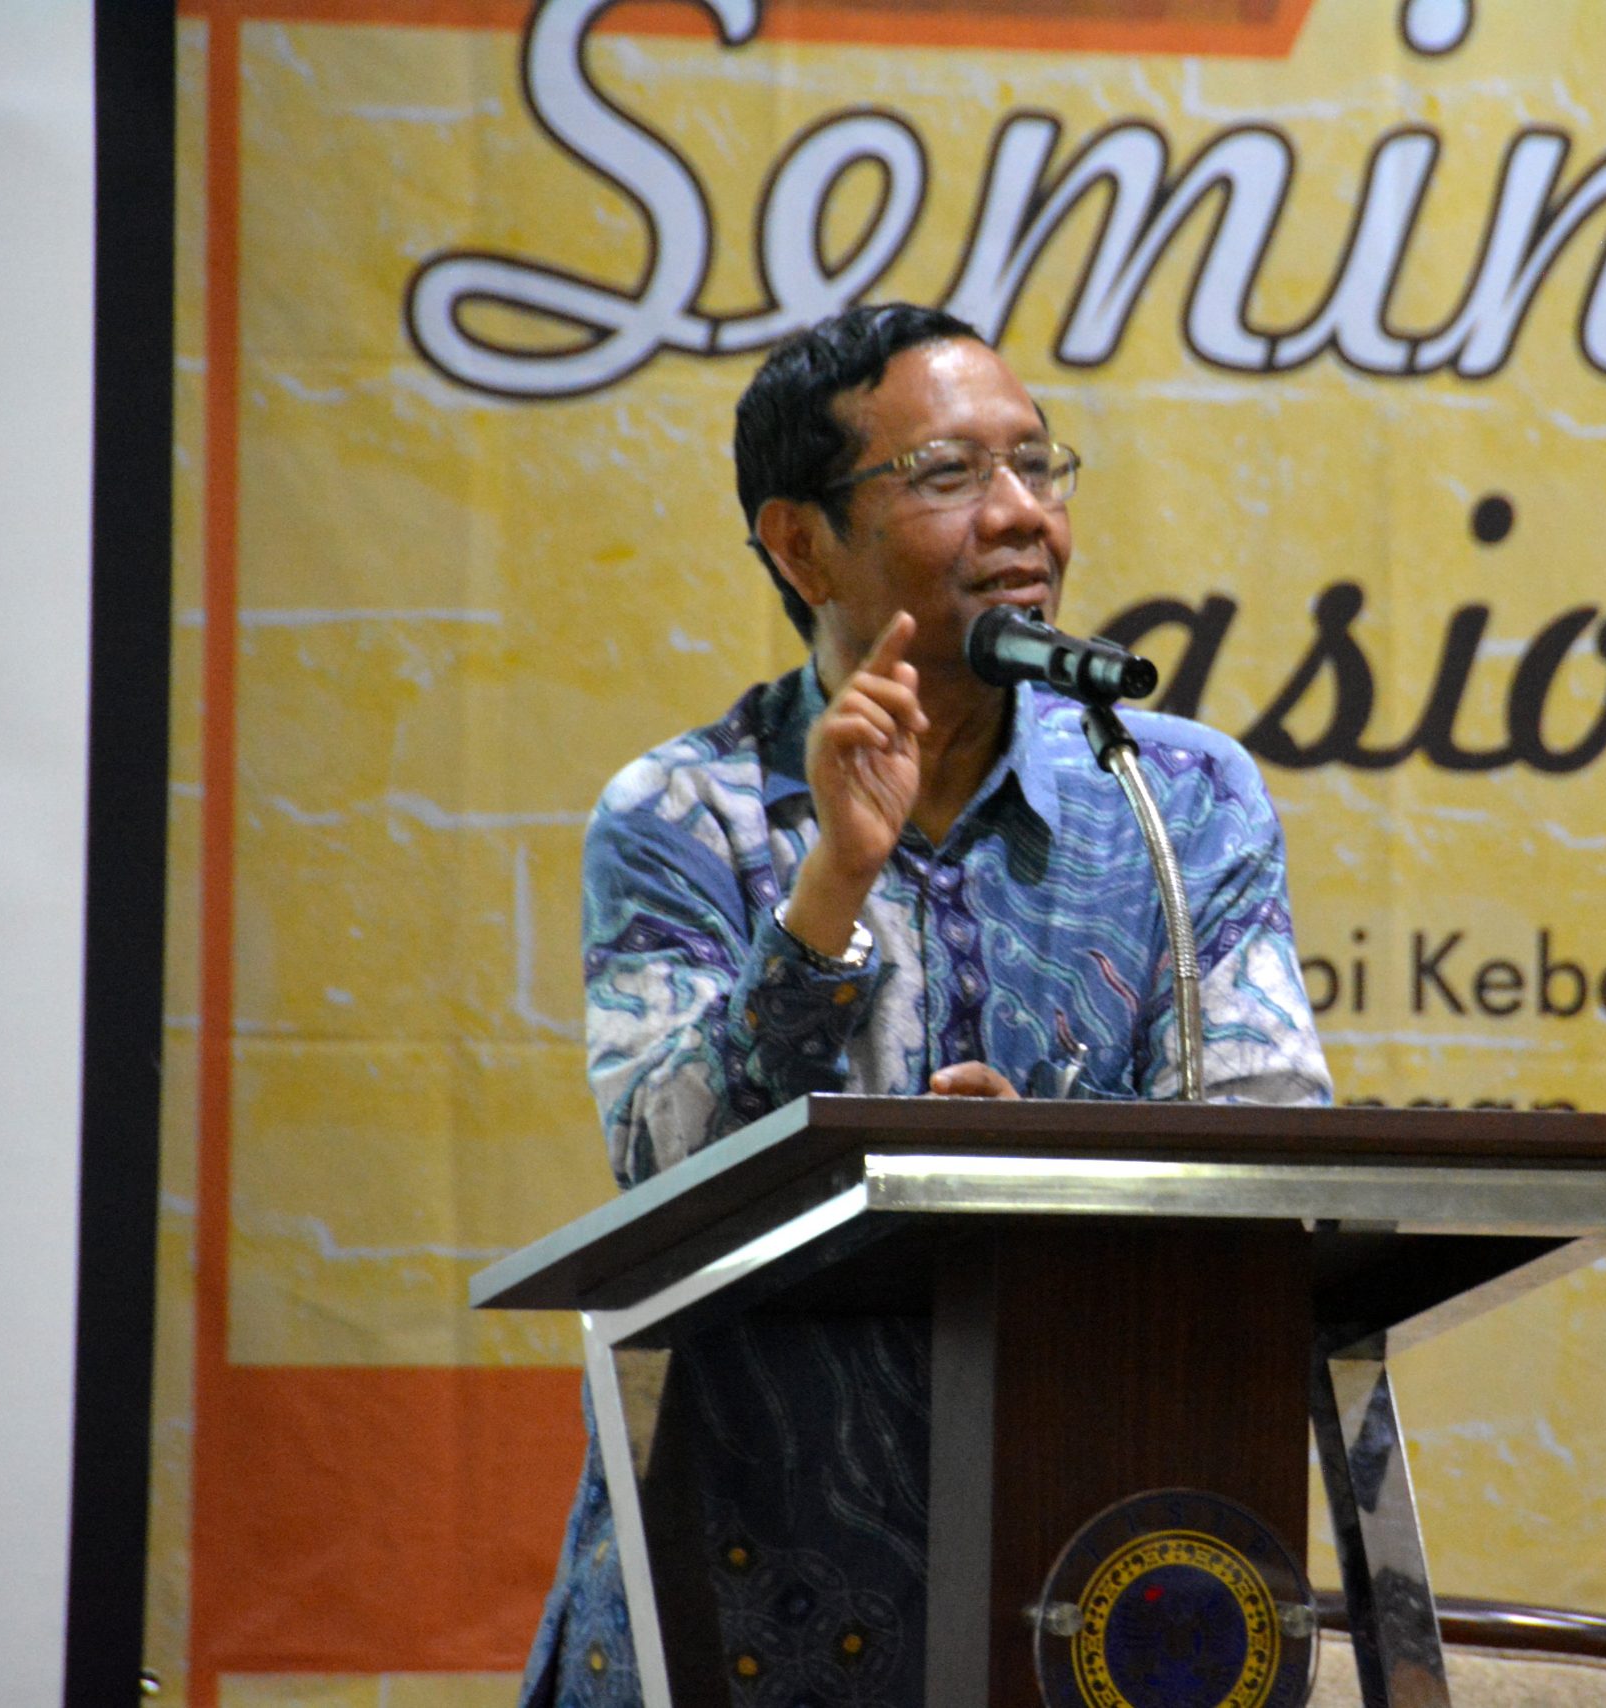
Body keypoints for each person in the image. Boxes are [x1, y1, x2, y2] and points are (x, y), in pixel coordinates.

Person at [521, 303, 1331, 1706]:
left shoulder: (1180, 794)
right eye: (950, 474)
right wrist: (831, 884)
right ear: (800, 543)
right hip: (751, 1593)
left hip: (1089, 1573)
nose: (1021, 515)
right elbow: (665, 1171)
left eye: (1037, 463)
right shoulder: (686, 814)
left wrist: (1045, 1169)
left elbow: (1268, 1139)